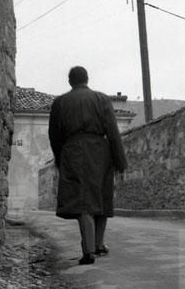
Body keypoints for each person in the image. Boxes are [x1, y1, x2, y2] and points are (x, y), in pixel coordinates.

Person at [48, 66, 128, 265]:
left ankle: (89, 250)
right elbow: (113, 132)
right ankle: (98, 244)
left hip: (73, 151)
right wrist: (120, 161)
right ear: (87, 79)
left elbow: (54, 136)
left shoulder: (60, 102)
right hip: (101, 152)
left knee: (83, 200)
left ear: (70, 81)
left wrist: (59, 159)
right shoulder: (102, 99)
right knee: (101, 196)